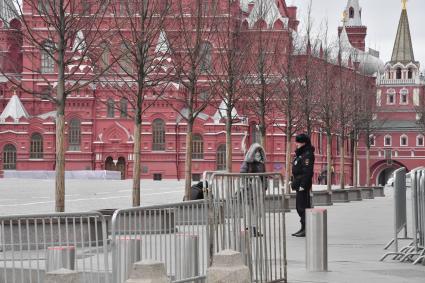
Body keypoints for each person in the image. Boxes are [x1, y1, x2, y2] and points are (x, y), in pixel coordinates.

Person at [240, 143, 267, 237]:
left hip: (258, 189)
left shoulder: (261, 163)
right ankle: (250, 228)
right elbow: (242, 173)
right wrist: (247, 183)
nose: (258, 154)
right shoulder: (247, 162)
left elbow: (264, 176)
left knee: (256, 210)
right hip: (249, 188)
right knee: (249, 209)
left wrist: (265, 186)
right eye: (256, 151)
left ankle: (253, 228)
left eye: (259, 151)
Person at [291, 133, 315, 237]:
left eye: (298, 142)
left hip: (303, 184)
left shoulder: (307, 154)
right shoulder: (301, 153)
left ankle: (306, 228)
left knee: (303, 207)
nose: (296, 144)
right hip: (298, 183)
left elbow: (307, 171)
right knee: (299, 207)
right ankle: (303, 228)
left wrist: (303, 185)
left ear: (303, 143)